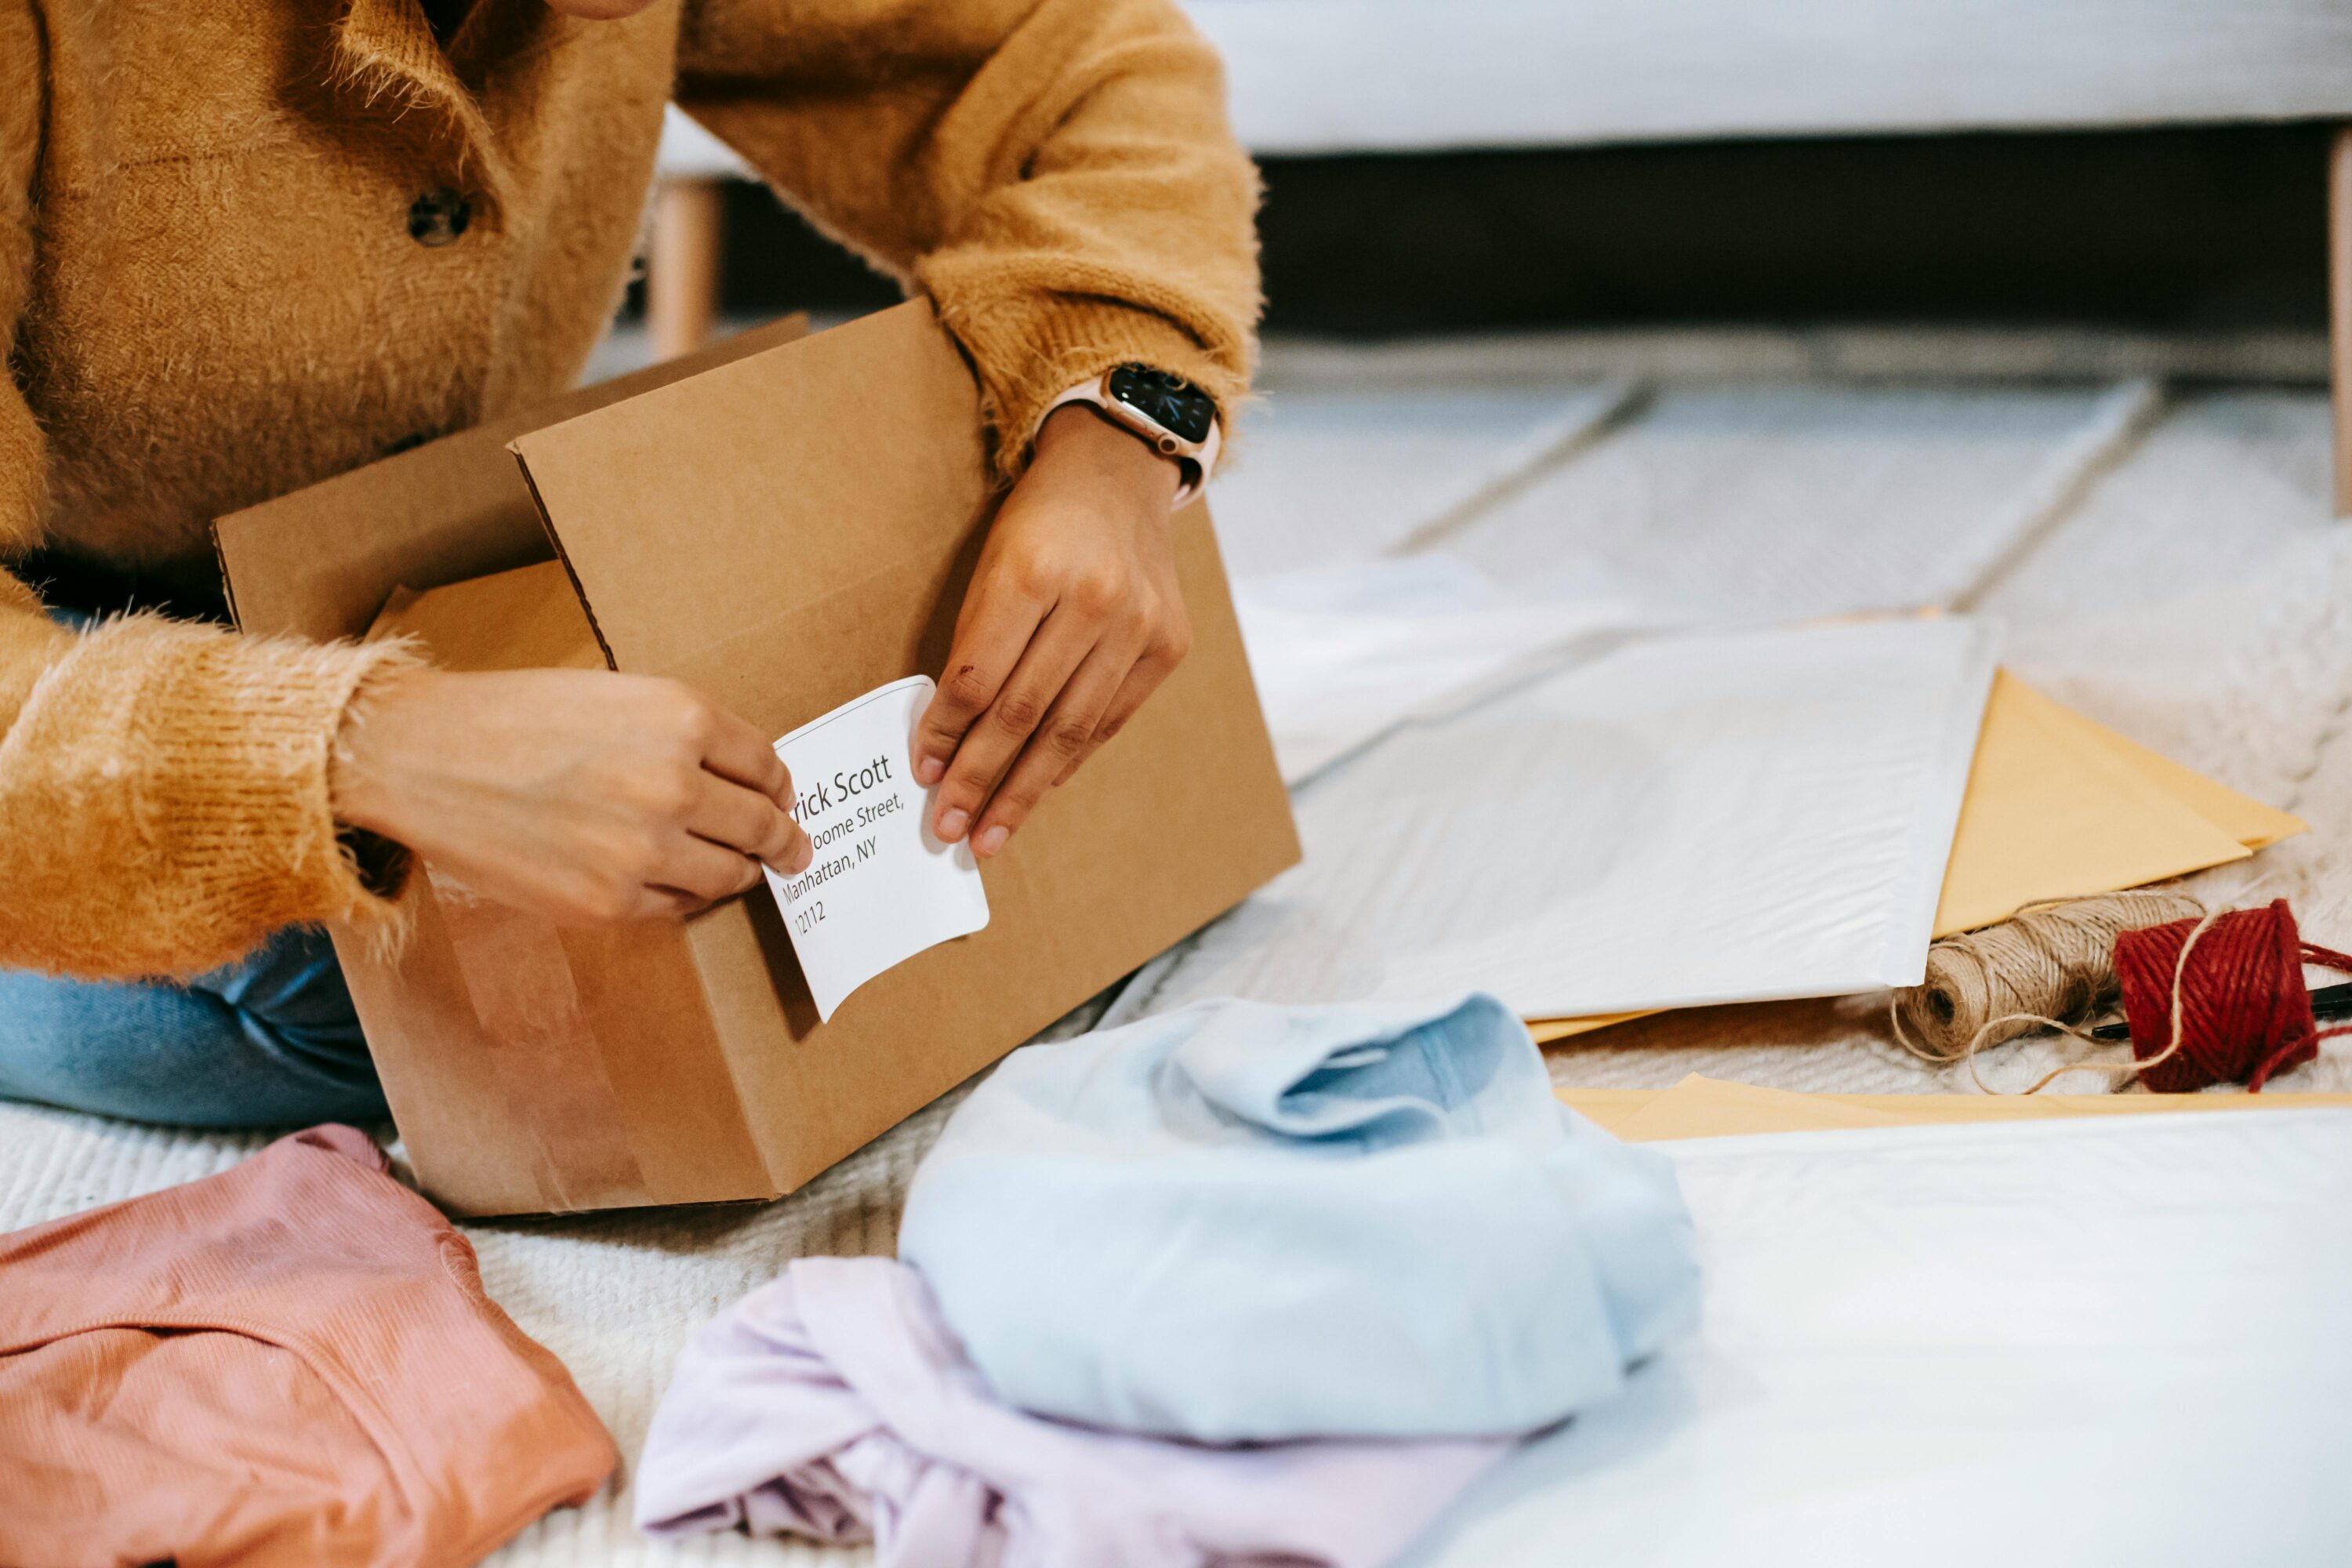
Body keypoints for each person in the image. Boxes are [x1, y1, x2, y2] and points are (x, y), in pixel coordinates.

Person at [0, 0, 1258, 1127]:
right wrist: (362, 747)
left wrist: (1120, 426)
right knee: (457, 1008)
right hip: (66, 668)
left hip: (404, 576)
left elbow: (1086, 62)